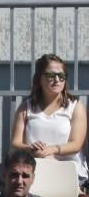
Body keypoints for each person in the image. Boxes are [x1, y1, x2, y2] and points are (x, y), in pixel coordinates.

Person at [10, 53, 87, 189]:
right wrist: (31, 148)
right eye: (51, 75)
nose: (57, 80)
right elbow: (15, 142)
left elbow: (77, 144)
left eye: (61, 76)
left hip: (69, 169)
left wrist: (50, 150)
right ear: (39, 79)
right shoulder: (26, 107)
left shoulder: (75, 106)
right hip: (35, 168)